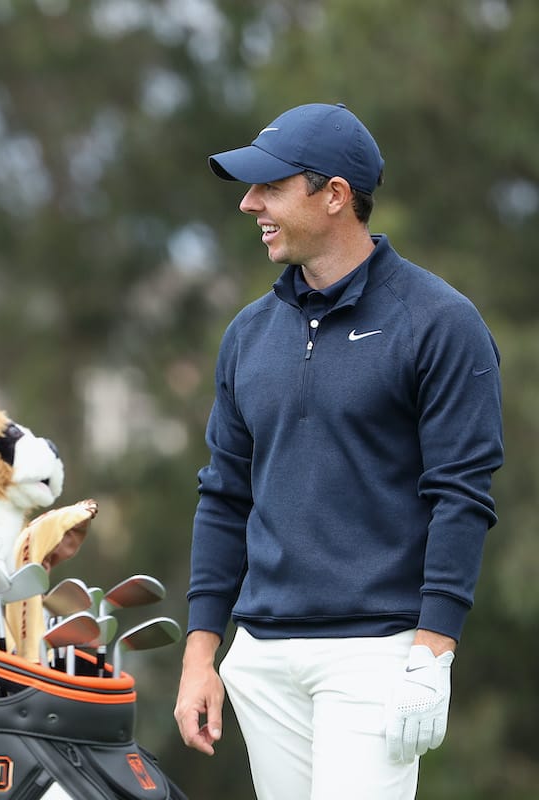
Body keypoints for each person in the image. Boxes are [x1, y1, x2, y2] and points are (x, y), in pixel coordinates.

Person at [172, 102, 503, 799]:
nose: (250, 204)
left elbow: (461, 495)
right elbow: (225, 496)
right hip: (262, 660)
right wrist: (201, 654)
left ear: (334, 196)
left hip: (376, 656)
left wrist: (432, 652)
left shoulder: (440, 323)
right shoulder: (248, 334)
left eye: (271, 187)